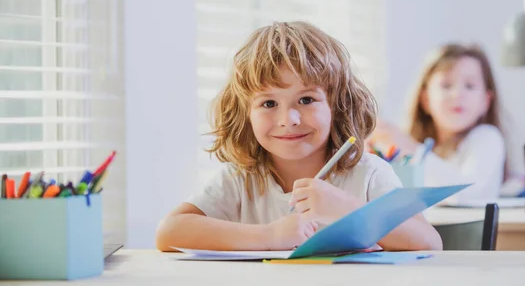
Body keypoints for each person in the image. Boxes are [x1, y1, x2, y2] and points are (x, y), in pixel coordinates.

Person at [156, 21, 442, 252]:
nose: (288, 120)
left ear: (337, 106)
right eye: (268, 104)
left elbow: (429, 242)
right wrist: (268, 236)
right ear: (245, 114)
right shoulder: (239, 179)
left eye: (306, 100)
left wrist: (347, 210)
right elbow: (170, 232)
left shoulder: (368, 174)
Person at [371, 43, 513, 202]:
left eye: (470, 86)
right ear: (425, 99)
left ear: (486, 101)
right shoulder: (406, 147)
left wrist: (411, 148)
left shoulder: (487, 138)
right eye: (446, 85)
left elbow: (466, 194)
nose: (457, 94)